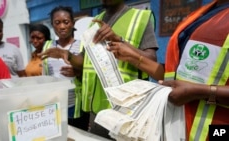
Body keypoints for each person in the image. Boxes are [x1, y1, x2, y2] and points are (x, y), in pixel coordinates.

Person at [107, 0, 229, 140]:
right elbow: (177, 76)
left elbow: (191, 86)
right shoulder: (202, 14)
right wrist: (133, 56)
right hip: (179, 129)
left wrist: (200, 91)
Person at [38, 0, 158, 138]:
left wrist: (120, 41)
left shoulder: (140, 18)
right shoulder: (94, 22)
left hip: (126, 111)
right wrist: (68, 55)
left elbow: (151, 62)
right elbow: (85, 61)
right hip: (97, 110)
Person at [43, 6, 89, 131]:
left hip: (76, 103)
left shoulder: (82, 45)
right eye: (57, 23)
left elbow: (91, 74)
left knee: (77, 134)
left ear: (73, 23)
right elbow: (45, 74)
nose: (62, 26)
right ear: (52, 25)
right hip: (54, 102)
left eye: (66, 22)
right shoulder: (48, 45)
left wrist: (78, 72)